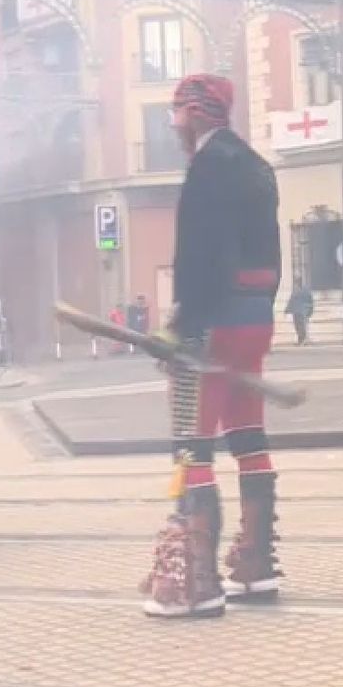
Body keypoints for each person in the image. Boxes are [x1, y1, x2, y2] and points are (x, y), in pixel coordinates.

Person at [142, 74, 282, 619]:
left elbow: (200, 258)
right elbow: (268, 258)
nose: (173, 126)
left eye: (176, 115)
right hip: (255, 319)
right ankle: (255, 564)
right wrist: (261, 308)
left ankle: (193, 584)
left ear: (197, 114)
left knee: (191, 444)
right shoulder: (257, 165)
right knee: (249, 435)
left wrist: (180, 326)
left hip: (214, 321)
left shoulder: (206, 167)